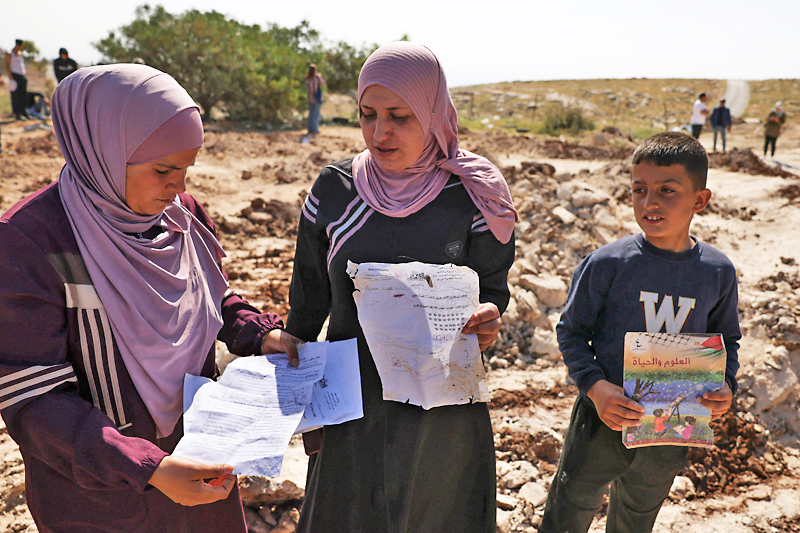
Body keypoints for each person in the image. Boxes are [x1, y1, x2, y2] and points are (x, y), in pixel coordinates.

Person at [0, 64, 302, 533]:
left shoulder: (180, 216)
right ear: (100, 151)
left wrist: (258, 332)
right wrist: (149, 468)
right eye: (163, 170)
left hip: (201, 472)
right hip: (101, 499)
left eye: (186, 169)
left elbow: (211, 293)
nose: (179, 187)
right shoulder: (32, 242)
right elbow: (35, 399)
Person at [286, 42, 518, 533]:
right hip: (353, 400)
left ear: (433, 113)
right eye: (367, 115)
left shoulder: (473, 196)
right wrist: (304, 399)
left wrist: (488, 318)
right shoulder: (335, 191)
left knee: (434, 513)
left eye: (399, 117)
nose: (379, 132)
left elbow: (492, 291)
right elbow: (307, 302)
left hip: (440, 404)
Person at [540, 131, 740, 533]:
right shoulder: (608, 264)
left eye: (667, 190)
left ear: (700, 200)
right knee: (569, 509)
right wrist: (596, 389)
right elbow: (572, 332)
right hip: (602, 421)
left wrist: (726, 386)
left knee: (636, 518)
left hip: (671, 430)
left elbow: (726, 341)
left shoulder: (717, 272)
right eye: (639, 190)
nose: (649, 202)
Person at [4, 39, 29, 120]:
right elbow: (7, 65)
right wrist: (11, 77)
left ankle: (23, 112)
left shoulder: (20, 54)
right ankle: (17, 113)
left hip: (22, 76)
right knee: (16, 95)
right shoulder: (9, 53)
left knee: (23, 95)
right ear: (18, 45)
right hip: (15, 76)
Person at [304, 64, 325, 135]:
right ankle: (315, 129)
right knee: (316, 114)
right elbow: (323, 84)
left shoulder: (307, 78)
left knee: (311, 114)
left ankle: (310, 129)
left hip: (310, 98)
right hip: (316, 98)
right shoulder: (317, 77)